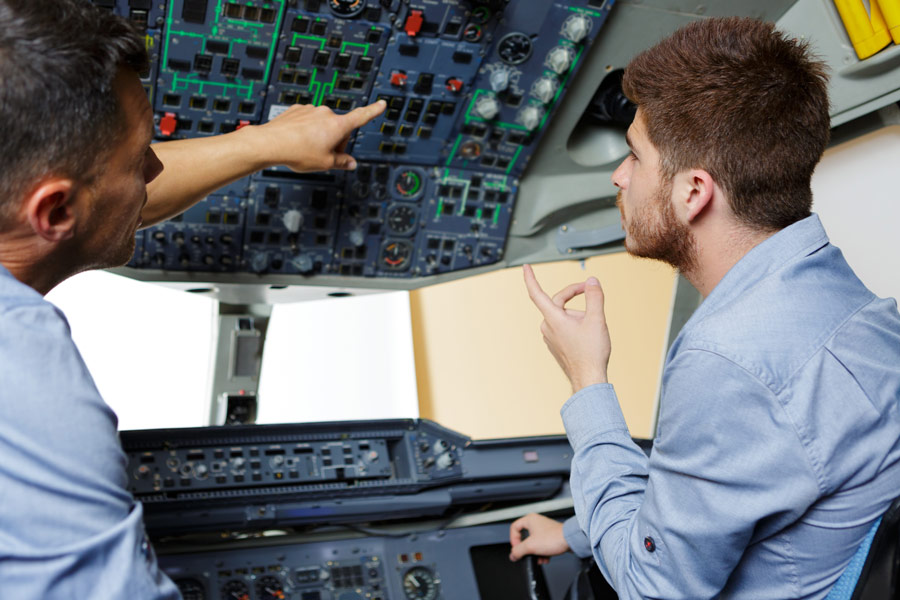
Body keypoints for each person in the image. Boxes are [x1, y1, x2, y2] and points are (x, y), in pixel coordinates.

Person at [0, 0, 384, 597]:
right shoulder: (23, 370)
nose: (156, 169)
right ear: (54, 209)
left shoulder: (24, 198)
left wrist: (267, 143)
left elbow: (101, 199)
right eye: (139, 160)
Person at [509, 16, 900, 600]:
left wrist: (586, 378)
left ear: (694, 192)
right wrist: (578, 532)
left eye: (635, 157)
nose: (618, 176)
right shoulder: (867, 315)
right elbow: (730, 491)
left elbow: (652, 588)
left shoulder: (729, 362)